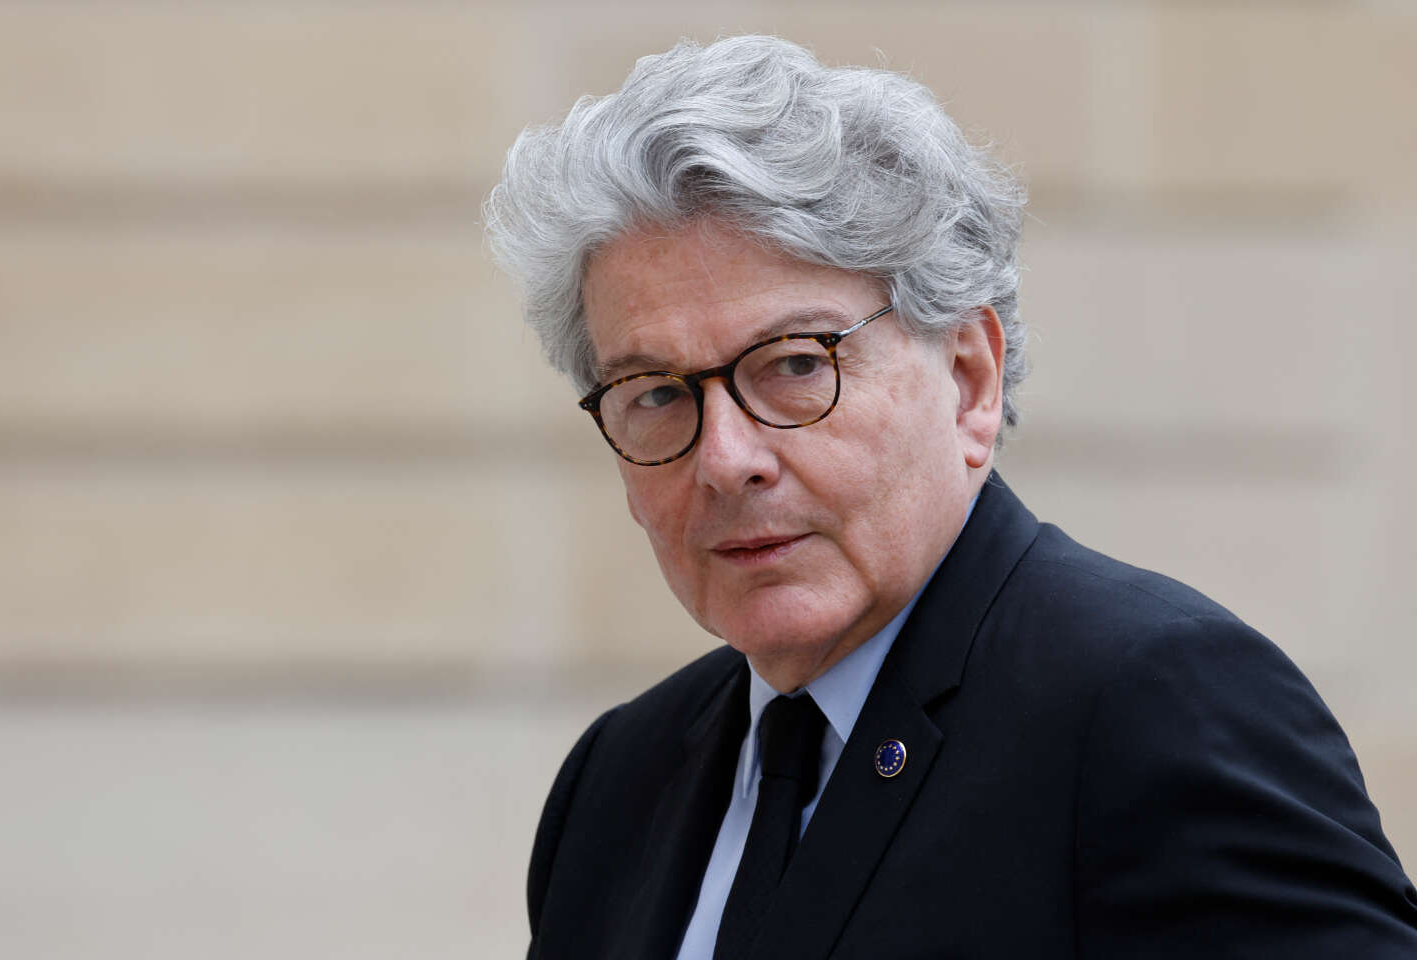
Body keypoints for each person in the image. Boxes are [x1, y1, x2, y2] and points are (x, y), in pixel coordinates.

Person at [483, 35, 1417, 960]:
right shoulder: (620, 780)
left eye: (796, 365)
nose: (726, 461)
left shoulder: (1151, 706)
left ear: (969, 379)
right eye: (655, 393)